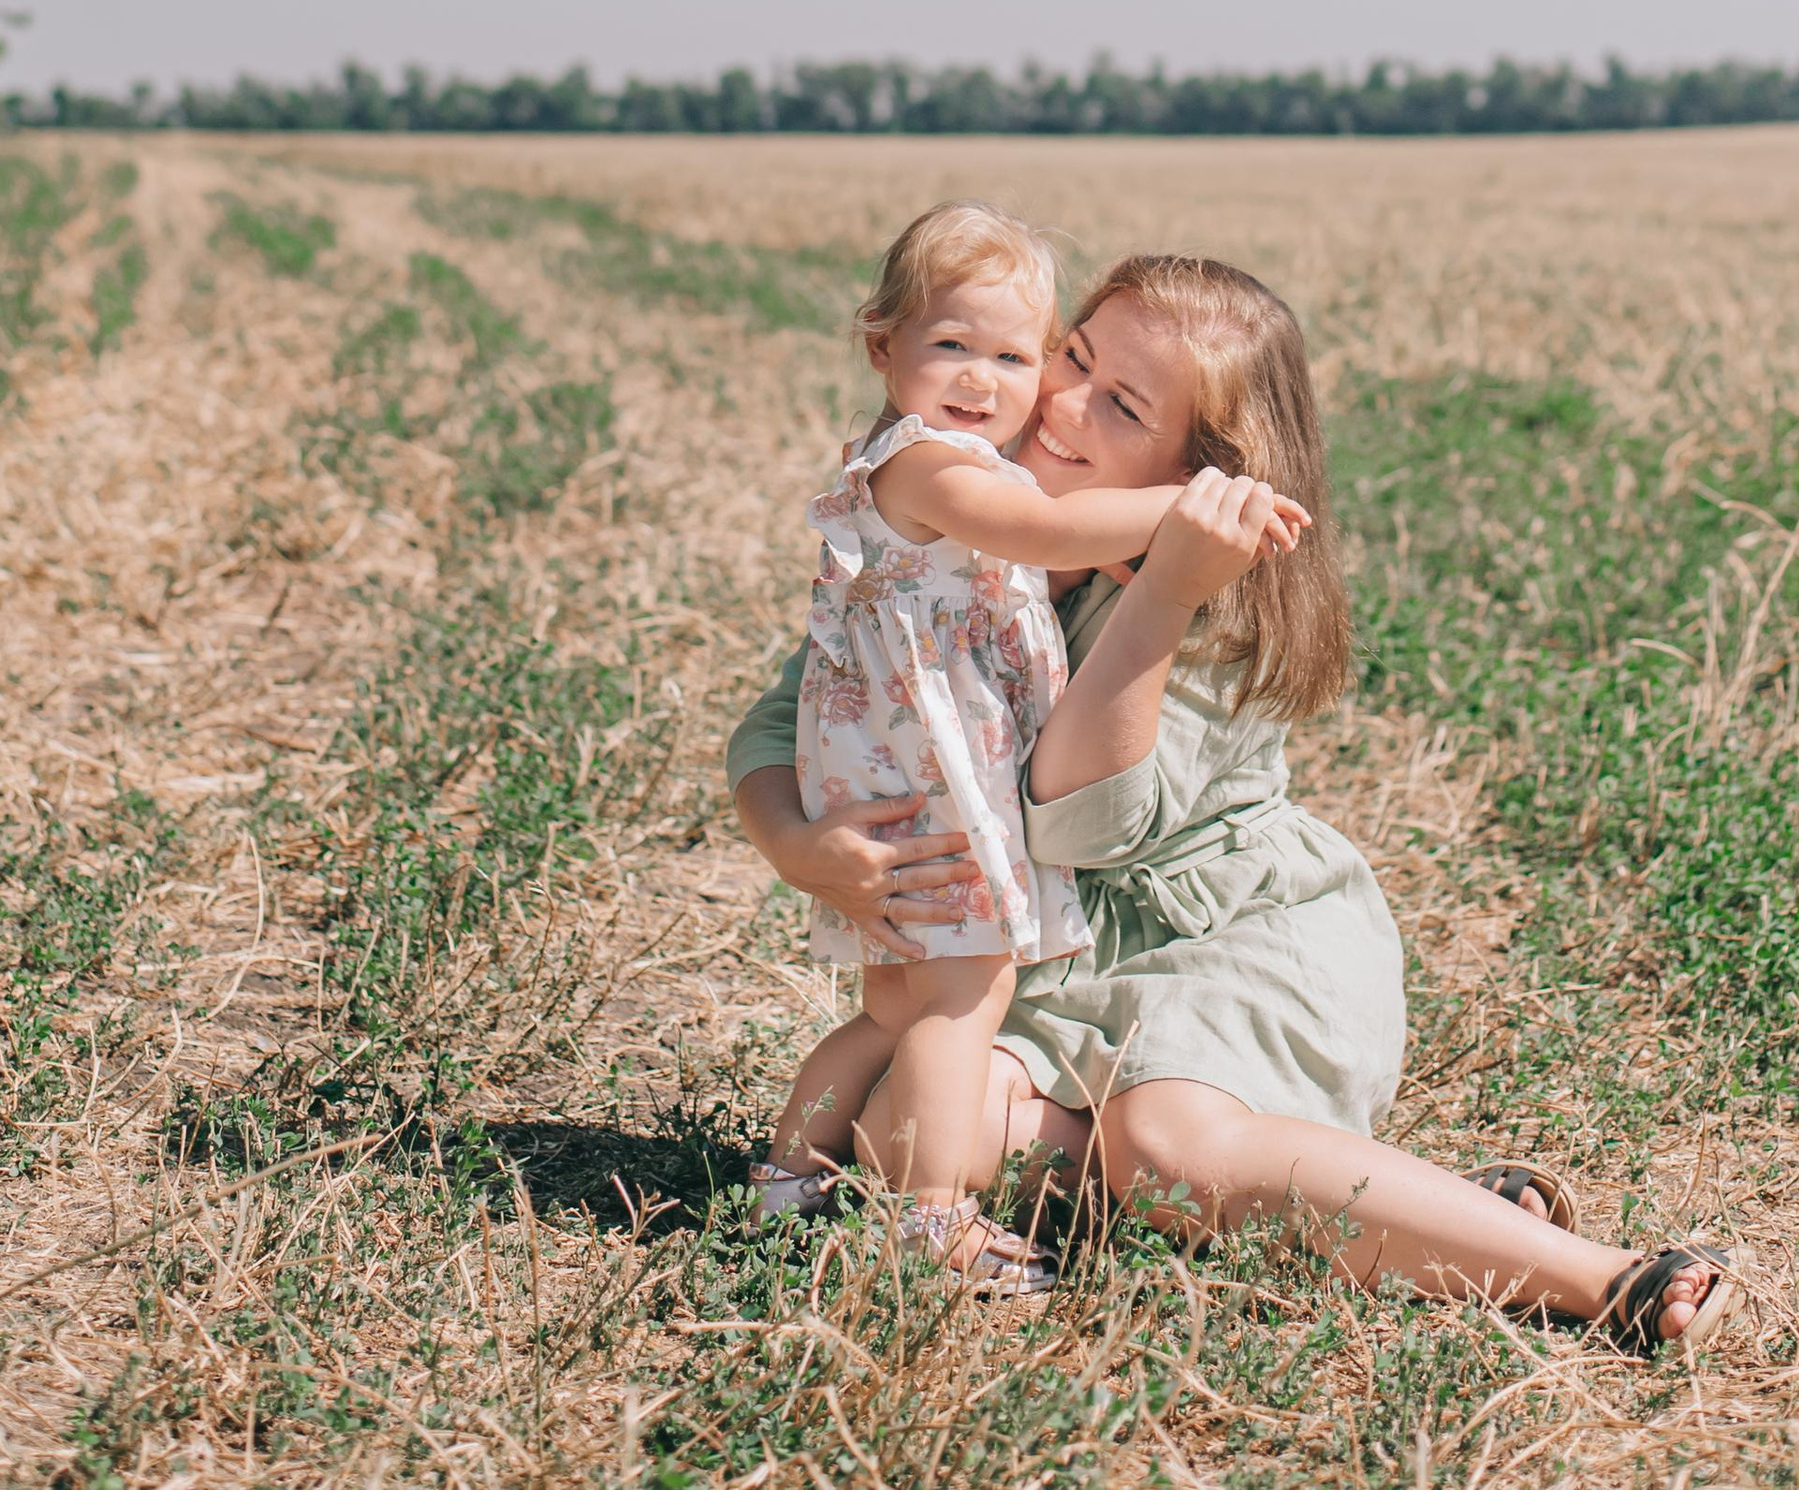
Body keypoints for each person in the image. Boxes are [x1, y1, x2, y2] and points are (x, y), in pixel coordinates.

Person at [732, 248, 1732, 1355]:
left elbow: (1082, 823)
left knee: (1163, 1143)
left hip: (1225, 937)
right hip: (1062, 954)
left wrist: (1162, 592)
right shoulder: (956, 526)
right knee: (905, 1141)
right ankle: (1387, 1206)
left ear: (1197, 473)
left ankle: (1609, 1280)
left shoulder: (1218, 598)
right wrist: (793, 840)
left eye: (1123, 406)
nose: (1061, 402)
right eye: (1073, 356)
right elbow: (789, 715)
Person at [754, 205, 1306, 1297]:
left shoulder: (956, 466)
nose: (986, 379)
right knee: (964, 997)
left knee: (896, 1012)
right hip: (931, 788)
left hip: (911, 781)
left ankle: (785, 1177)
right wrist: (1187, 514)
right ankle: (932, 1219)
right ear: (883, 348)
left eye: (1014, 355)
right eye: (951, 345)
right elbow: (1043, 534)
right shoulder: (929, 466)